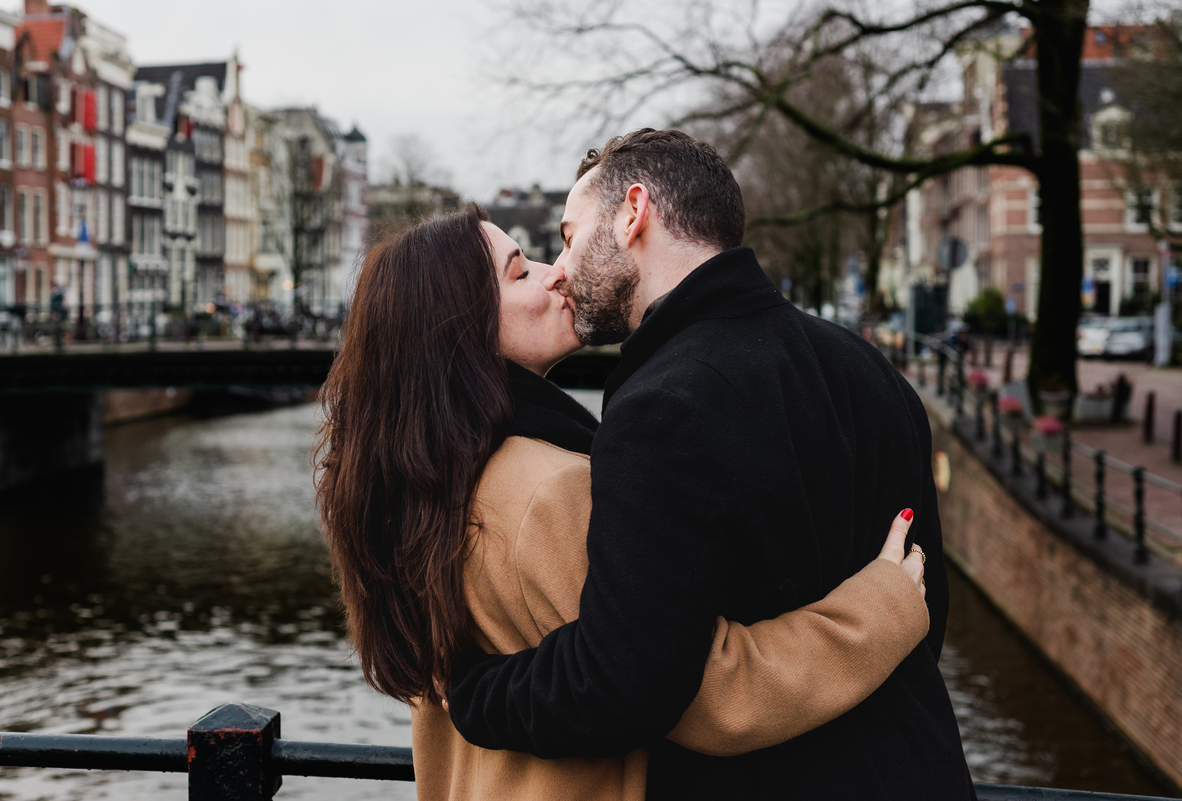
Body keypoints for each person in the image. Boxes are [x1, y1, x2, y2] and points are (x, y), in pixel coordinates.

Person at [316, 206, 931, 800]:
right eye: (521, 272)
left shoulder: (420, 490)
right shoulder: (548, 492)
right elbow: (700, 694)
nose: (555, 273)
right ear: (458, 330)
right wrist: (881, 608)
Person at [445, 130, 976, 800]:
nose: (563, 268)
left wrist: (474, 691)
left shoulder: (659, 409)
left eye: (571, 237)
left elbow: (625, 682)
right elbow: (924, 605)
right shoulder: (876, 374)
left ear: (633, 213)